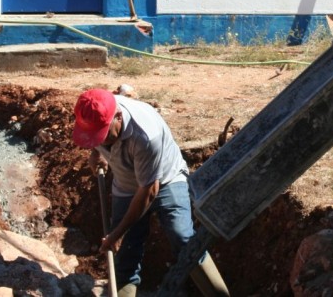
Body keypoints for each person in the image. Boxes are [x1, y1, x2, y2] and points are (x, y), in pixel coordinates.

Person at [72, 88, 229, 297]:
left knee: (182, 238)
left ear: (117, 116)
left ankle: (218, 294)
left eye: (102, 135)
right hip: (126, 184)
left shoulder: (146, 134)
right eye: (94, 136)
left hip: (165, 180)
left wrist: (117, 233)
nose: (99, 140)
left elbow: (149, 191)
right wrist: (95, 151)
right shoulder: (96, 110)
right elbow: (95, 132)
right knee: (126, 253)